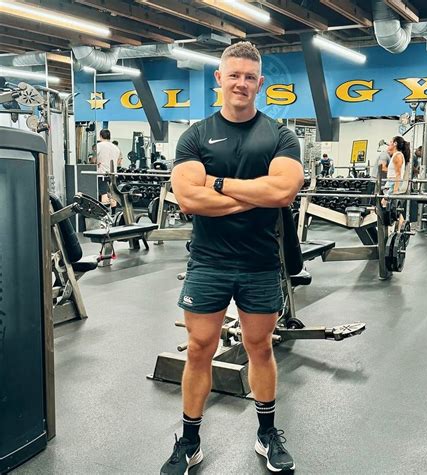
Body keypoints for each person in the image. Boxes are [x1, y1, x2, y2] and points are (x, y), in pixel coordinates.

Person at [160, 41, 303, 475]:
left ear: (260, 83)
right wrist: (255, 194)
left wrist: (217, 184)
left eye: (249, 77)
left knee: (260, 347)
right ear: (219, 79)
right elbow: (188, 198)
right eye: (234, 75)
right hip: (209, 262)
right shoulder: (195, 135)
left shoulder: (280, 135)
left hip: (260, 262)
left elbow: (284, 191)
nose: (241, 83)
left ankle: (267, 434)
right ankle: (189, 442)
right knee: (199, 348)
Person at [96, 129, 122, 207]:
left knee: (104, 193)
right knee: (112, 194)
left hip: (102, 173)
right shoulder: (116, 148)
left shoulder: (99, 145)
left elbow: (94, 159)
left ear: (100, 136)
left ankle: (105, 212)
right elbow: (119, 161)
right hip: (113, 174)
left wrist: (96, 162)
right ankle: (113, 213)